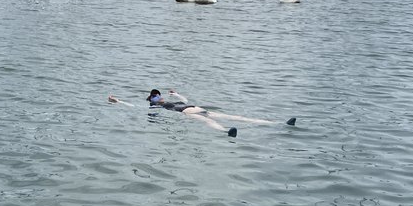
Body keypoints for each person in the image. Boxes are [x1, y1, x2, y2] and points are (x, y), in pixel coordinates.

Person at [108, 89, 296, 137]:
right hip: (188, 114)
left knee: (236, 116)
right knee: (209, 122)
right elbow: (134, 107)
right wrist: (118, 102)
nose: (159, 98)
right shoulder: (155, 108)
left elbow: (185, 101)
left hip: (196, 108)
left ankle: (276, 124)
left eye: (159, 96)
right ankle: (225, 132)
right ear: (152, 101)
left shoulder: (169, 100)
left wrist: (176, 93)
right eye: (154, 98)